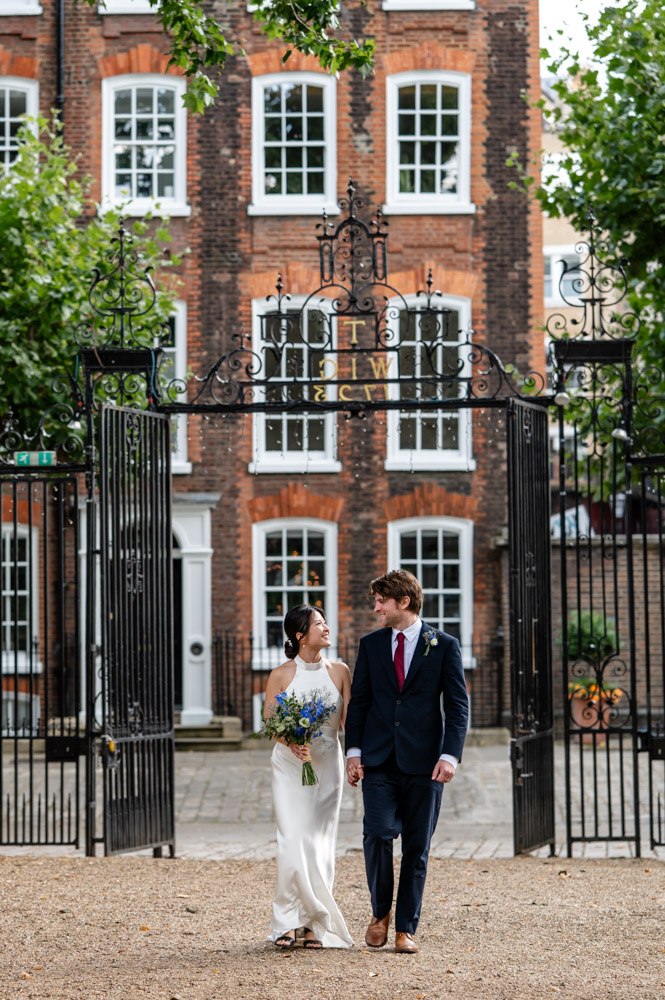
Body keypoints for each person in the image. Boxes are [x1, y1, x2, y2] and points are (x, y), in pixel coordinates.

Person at [345, 570, 469, 954]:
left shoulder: (444, 645)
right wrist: (353, 752)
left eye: (382, 600)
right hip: (379, 759)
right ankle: (379, 913)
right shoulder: (371, 645)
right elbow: (360, 702)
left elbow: (458, 705)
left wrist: (450, 755)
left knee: (417, 847)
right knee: (378, 833)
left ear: (404, 602)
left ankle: (405, 928)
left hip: (426, 763)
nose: (376, 607)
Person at [263, 604, 354, 950]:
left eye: (325, 621)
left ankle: (316, 923)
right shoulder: (281, 675)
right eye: (319, 623)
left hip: (328, 765)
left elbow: (349, 723)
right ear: (300, 635)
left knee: (319, 843)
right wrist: (292, 741)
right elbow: (271, 722)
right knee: (292, 838)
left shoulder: (341, 671)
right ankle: (286, 921)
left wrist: (358, 756)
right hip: (289, 766)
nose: (327, 627)